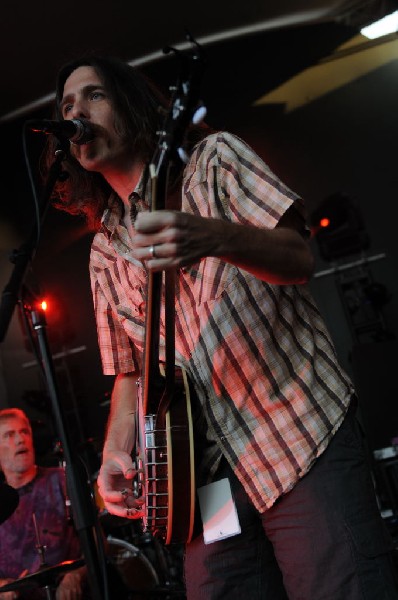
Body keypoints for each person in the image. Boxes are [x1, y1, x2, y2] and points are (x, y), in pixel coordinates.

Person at [42, 52, 398, 599]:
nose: (77, 112)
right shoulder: (103, 254)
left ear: (132, 105)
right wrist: (117, 450)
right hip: (205, 480)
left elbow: (298, 257)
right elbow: (130, 373)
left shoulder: (214, 160)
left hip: (296, 434)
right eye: (67, 105)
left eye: (94, 95)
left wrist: (212, 237)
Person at [0, 408, 87, 600]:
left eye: (24, 432)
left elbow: (99, 540)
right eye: (9, 435)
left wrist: (76, 574)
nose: (21, 439)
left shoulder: (62, 480)